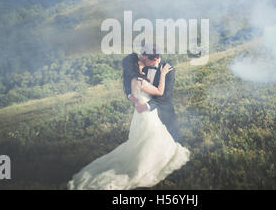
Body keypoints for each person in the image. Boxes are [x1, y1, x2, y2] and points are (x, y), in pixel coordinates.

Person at [67, 53, 190, 190]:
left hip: (141, 113)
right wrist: (162, 74)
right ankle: (145, 165)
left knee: (142, 140)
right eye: (140, 59)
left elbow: (133, 94)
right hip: (146, 114)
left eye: (143, 57)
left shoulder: (134, 79)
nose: (142, 59)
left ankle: (149, 159)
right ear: (136, 65)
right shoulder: (140, 80)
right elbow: (160, 92)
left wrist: (135, 100)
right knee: (150, 139)